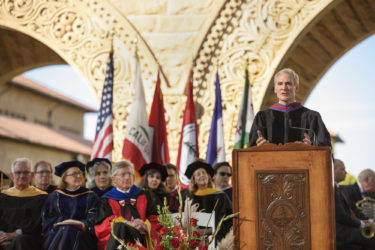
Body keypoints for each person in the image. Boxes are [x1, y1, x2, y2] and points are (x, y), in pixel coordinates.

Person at [248, 68, 331, 147]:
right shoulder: (262, 117)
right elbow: (251, 150)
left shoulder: (312, 117)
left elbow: (325, 148)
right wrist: (259, 147)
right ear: (275, 89)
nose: (284, 88)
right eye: (280, 84)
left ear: (296, 88)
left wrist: (311, 147)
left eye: (288, 84)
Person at [41, 160, 99, 250]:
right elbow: (47, 220)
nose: (79, 176)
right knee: (67, 229)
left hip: (82, 235)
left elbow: (94, 218)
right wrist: (64, 223)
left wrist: (82, 224)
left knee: (70, 230)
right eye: (74, 174)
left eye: (80, 173)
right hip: (58, 234)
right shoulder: (54, 196)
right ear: (64, 178)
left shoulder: (91, 196)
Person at [95, 160, 149, 250]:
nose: (127, 177)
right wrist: (127, 223)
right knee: (119, 226)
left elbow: (156, 217)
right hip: (117, 239)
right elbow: (102, 225)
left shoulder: (145, 195)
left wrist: (146, 225)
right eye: (123, 174)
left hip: (142, 235)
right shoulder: (106, 199)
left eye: (130, 174)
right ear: (114, 179)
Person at [0, 158, 47, 250]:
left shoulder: (41, 197)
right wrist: (2, 236)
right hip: (3, 237)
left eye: (26, 172)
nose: (22, 176)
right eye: (18, 172)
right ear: (12, 175)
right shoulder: (2, 196)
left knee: (20, 240)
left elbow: (37, 221)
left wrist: (15, 234)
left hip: (27, 239)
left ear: (32, 175)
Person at [183, 160, 232, 244]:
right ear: (194, 180)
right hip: (195, 238)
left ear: (208, 177)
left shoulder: (220, 195)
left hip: (216, 237)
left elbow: (226, 218)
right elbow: (186, 218)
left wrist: (207, 231)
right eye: (198, 174)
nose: (202, 175)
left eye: (204, 173)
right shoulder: (189, 198)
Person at [333, 159, 375, 249]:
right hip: (340, 233)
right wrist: (363, 223)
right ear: (333, 170)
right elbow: (341, 215)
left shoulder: (337, 188)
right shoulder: (340, 189)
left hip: (347, 228)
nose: (346, 173)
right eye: (343, 169)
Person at [137, 162, 169, 245]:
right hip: (144, 229)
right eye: (151, 176)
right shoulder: (138, 194)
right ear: (146, 178)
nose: (155, 179)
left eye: (158, 178)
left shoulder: (166, 197)